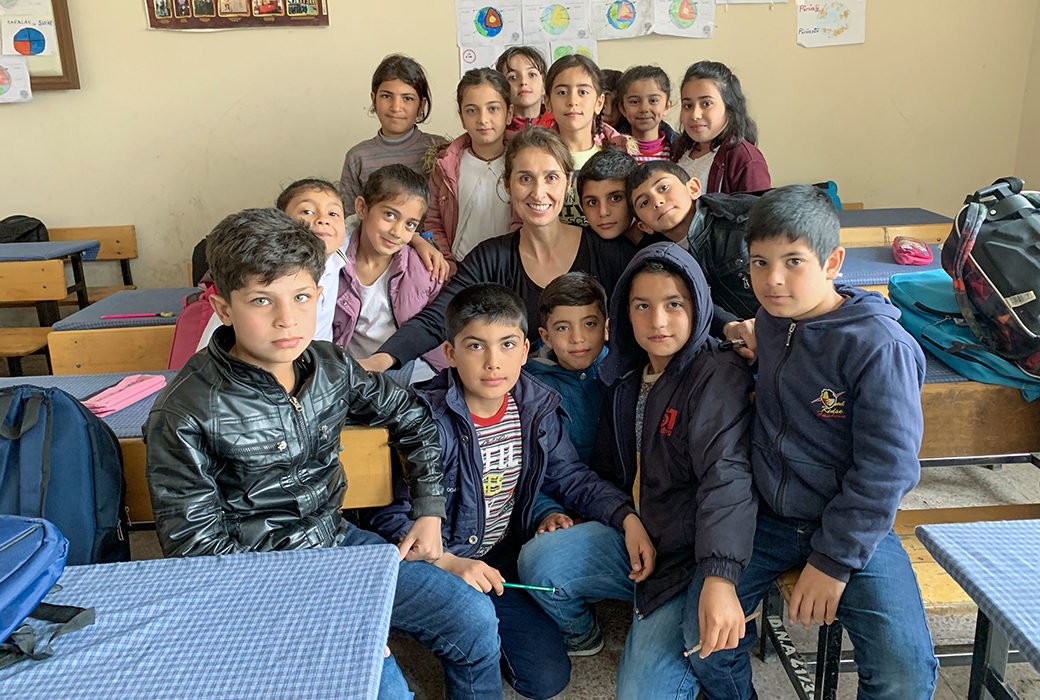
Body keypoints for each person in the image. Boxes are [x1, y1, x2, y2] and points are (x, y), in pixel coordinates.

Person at [145, 208, 504, 700]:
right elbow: (201, 556)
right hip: (262, 587)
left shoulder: (329, 365)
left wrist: (429, 511)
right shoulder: (184, 412)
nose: (286, 319)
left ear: (319, 293)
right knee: (386, 691)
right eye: (260, 301)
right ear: (223, 308)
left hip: (338, 545)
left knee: (472, 618)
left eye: (300, 296)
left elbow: (413, 418)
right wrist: (337, 623)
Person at [688, 185, 938, 700]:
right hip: (768, 519)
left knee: (904, 676)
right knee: (701, 638)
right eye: (759, 262)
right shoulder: (776, 321)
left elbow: (885, 471)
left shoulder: (879, 346)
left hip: (848, 523)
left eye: (793, 261)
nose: (773, 279)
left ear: (833, 262)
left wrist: (833, 562)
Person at [370, 283, 653, 699]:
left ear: (524, 349)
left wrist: (626, 518)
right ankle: (456, 634)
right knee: (469, 628)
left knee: (545, 679)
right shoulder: (424, 417)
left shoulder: (535, 405)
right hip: (433, 558)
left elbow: (570, 476)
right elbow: (387, 517)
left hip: (497, 556)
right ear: (450, 354)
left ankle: (467, 629)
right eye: (474, 346)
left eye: (506, 345)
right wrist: (449, 563)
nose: (492, 362)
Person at [518, 242, 757, 698]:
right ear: (624, 315)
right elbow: (601, 473)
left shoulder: (717, 372)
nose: (658, 321)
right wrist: (626, 519)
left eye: (673, 305)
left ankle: (680, 618)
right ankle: (649, 616)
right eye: (642, 306)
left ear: (698, 306)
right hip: (644, 536)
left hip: (695, 556)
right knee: (541, 561)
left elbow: (726, 479)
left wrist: (720, 576)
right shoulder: (626, 376)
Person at [359, 126, 634, 374]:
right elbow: (440, 316)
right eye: (525, 178)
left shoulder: (612, 254)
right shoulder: (490, 259)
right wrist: (382, 359)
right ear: (507, 184)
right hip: (524, 408)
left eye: (551, 177)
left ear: (568, 181)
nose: (538, 193)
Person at [339, 53, 451, 280]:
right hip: (374, 264)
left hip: (432, 264)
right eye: (387, 96)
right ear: (373, 99)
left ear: (421, 105)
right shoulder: (358, 156)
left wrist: (424, 243)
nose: (396, 106)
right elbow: (351, 219)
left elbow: (448, 212)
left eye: (407, 98)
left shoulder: (439, 149)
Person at [333, 164, 446, 384]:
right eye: (389, 215)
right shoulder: (333, 263)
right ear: (362, 208)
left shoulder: (425, 270)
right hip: (349, 370)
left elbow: (438, 329)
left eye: (410, 224)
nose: (396, 232)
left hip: (411, 368)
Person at [626, 160, 760, 334]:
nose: (657, 202)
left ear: (694, 188)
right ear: (645, 227)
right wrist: (729, 325)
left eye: (663, 188)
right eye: (644, 202)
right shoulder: (657, 259)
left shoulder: (740, 223)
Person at [426, 68, 514, 275]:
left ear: (509, 113)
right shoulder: (445, 166)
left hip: (510, 269)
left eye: (493, 109)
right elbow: (433, 222)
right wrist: (448, 264)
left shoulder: (523, 163)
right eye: (472, 110)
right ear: (462, 117)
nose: (482, 119)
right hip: (460, 270)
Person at [543, 54, 638, 227]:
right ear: (547, 103)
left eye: (583, 92)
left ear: (599, 102)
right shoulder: (537, 156)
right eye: (562, 92)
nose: (572, 101)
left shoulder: (618, 150)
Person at [525, 272, 609, 463]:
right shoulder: (532, 388)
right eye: (563, 327)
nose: (577, 338)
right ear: (546, 337)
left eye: (589, 324)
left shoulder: (624, 376)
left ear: (606, 328)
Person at [671, 61, 770, 194]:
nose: (695, 115)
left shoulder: (745, 158)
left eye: (706, 103)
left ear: (729, 108)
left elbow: (757, 213)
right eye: (688, 105)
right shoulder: (680, 150)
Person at [578, 148, 663, 248]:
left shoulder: (662, 241)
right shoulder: (581, 246)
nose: (603, 212)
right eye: (592, 202)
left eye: (615, 198)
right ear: (582, 206)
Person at [616, 65, 679, 163]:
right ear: (623, 108)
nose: (644, 109)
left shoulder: (680, 152)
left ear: (667, 106)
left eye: (653, 100)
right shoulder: (613, 149)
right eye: (634, 102)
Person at [496, 46, 554, 133]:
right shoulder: (496, 131)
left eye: (532, 75)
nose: (523, 82)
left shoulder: (560, 125)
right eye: (513, 77)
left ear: (544, 86)